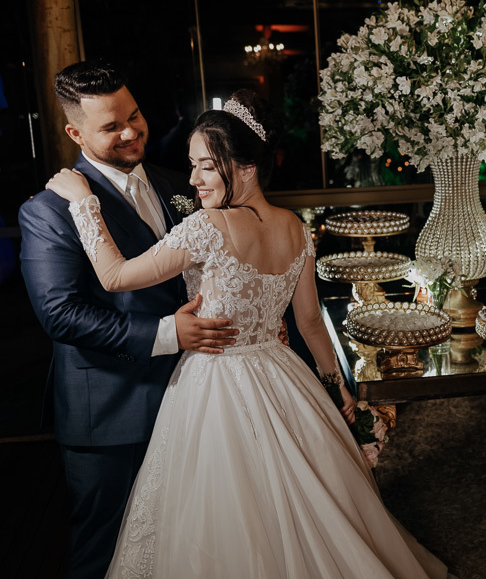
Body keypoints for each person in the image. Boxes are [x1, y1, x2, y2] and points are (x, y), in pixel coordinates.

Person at [46, 89, 450, 578]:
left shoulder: (206, 227)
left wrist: (84, 203)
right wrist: (335, 386)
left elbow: (114, 277)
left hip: (212, 382)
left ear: (246, 167)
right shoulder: (296, 227)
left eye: (205, 167)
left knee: (224, 513)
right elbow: (308, 324)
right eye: (192, 166)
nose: (193, 180)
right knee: (302, 503)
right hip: (282, 376)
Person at [18, 60, 238, 579]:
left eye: (133, 115)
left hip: (197, 396)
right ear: (75, 133)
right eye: (110, 126)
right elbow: (60, 314)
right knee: (107, 549)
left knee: (189, 542)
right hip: (111, 409)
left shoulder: (177, 184)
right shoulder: (49, 211)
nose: (130, 131)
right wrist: (166, 333)